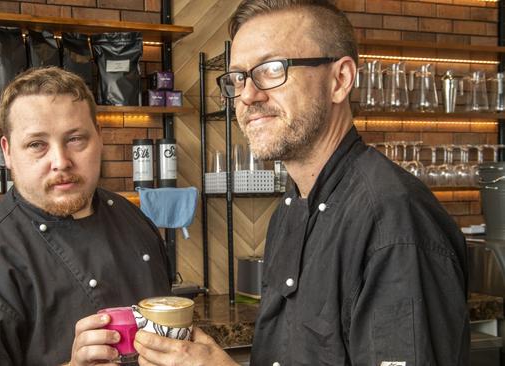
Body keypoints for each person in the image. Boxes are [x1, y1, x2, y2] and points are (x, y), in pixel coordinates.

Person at [134, 1, 469, 365]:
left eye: (272, 69)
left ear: (339, 80)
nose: (247, 96)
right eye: (239, 78)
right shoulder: (291, 209)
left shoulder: (394, 221)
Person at [0, 67, 172, 365]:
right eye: (36, 145)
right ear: (7, 152)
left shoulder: (134, 220)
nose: (61, 162)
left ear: (99, 137)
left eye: (75, 139)